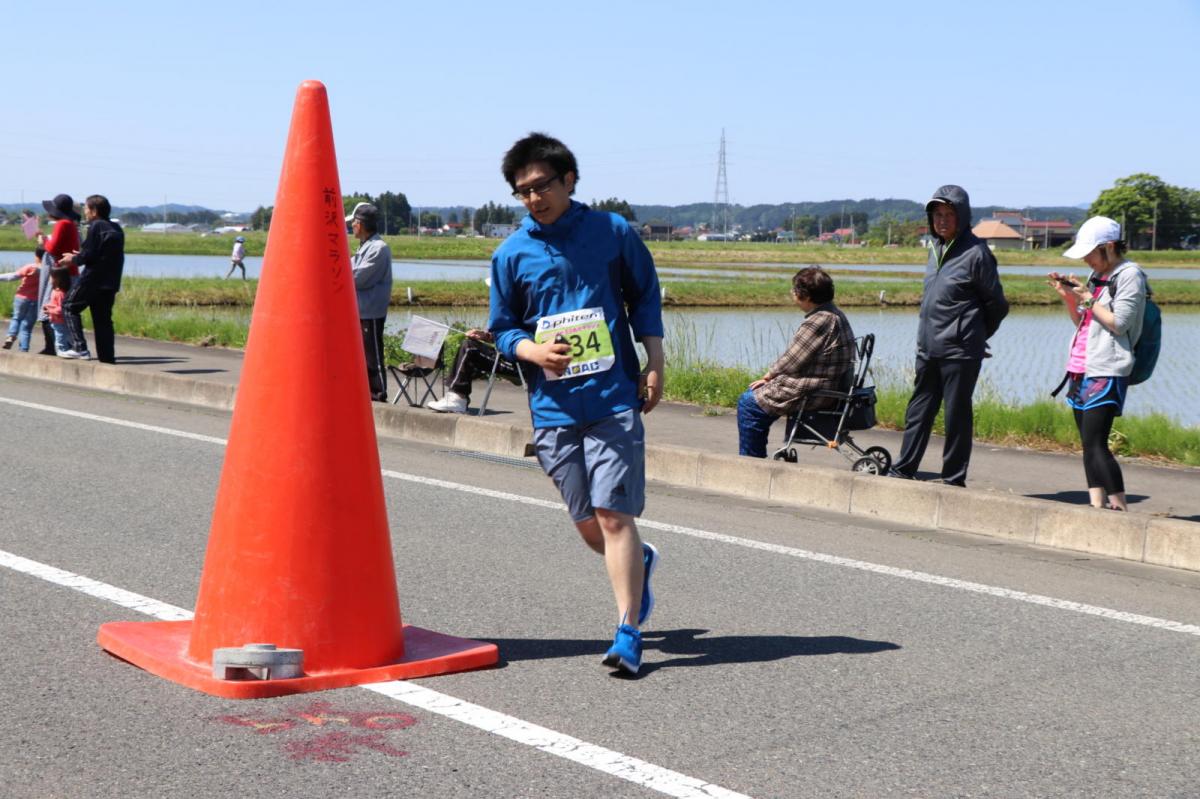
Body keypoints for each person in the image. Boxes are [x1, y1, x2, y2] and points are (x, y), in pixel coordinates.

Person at [489, 132, 664, 676]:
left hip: (613, 397)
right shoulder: (511, 253)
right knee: (589, 523)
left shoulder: (611, 232)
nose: (533, 198)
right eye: (522, 191)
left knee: (615, 515)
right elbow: (502, 329)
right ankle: (642, 561)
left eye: (542, 185)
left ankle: (628, 632)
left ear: (569, 180)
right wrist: (533, 350)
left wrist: (655, 361)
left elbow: (645, 295)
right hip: (553, 407)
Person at [889, 185, 1008, 486]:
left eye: (948, 214)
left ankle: (953, 478)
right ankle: (904, 469)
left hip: (960, 351)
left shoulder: (977, 254)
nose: (941, 220)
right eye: (937, 214)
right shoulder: (935, 249)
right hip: (928, 347)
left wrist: (976, 335)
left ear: (962, 216)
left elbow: (997, 304)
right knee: (918, 411)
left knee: (956, 415)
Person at [1047, 217, 1147, 511]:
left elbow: (1118, 324)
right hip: (1081, 369)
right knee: (1087, 445)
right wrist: (1069, 299)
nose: (1087, 260)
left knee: (1096, 444)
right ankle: (1096, 508)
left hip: (1108, 369)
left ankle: (1120, 508)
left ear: (1110, 247)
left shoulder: (1130, 275)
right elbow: (1085, 323)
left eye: (1091, 253)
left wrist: (1088, 298)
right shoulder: (1097, 276)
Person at [736, 267, 856, 457]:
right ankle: (754, 455)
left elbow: (791, 360)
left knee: (749, 403)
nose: (792, 292)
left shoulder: (819, 321)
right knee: (754, 400)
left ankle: (751, 461)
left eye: (794, 289)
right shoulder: (835, 313)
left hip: (815, 389)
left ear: (805, 296)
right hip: (829, 385)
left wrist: (768, 376)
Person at [58, 195, 125, 363]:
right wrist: (81, 255)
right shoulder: (116, 228)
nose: (85, 212)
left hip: (93, 279)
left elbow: (89, 256)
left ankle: (80, 348)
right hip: (110, 282)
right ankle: (107, 359)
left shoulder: (95, 226)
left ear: (94, 211)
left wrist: (72, 259)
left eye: (87, 209)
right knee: (103, 321)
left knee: (68, 306)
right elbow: (99, 254)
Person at [346, 202, 393, 402]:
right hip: (360, 309)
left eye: (354, 222)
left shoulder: (379, 248)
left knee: (373, 354)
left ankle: (379, 392)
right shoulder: (364, 246)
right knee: (361, 355)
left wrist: (340, 273)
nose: (351, 226)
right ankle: (366, 391)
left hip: (371, 311)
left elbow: (357, 278)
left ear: (362, 224)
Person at [425, 328, 524, 413]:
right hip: (506, 357)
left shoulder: (529, 315)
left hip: (519, 366)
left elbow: (520, 341)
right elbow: (507, 337)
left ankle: (459, 399)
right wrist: (486, 336)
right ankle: (455, 397)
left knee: (469, 347)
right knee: (469, 344)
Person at [34, 194, 80, 356]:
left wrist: (43, 241)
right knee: (62, 309)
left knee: (50, 308)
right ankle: (60, 345)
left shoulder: (62, 224)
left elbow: (52, 248)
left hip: (61, 274)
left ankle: (54, 347)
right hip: (70, 272)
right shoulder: (71, 224)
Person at [1, 247, 45, 352]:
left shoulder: (30, 267)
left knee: (16, 318)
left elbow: (12, 277)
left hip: (21, 298)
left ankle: (11, 336)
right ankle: (24, 349)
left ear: (36, 256)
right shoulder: (48, 270)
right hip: (36, 301)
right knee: (27, 327)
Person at [41, 267, 73, 356]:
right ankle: (70, 349)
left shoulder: (60, 293)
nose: (50, 279)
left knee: (60, 336)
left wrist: (50, 311)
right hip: (56, 319)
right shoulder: (56, 291)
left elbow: (61, 308)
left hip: (60, 320)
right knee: (63, 335)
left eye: (51, 277)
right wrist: (48, 306)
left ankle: (63, 350)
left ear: (57, 279)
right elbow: (56, 305)